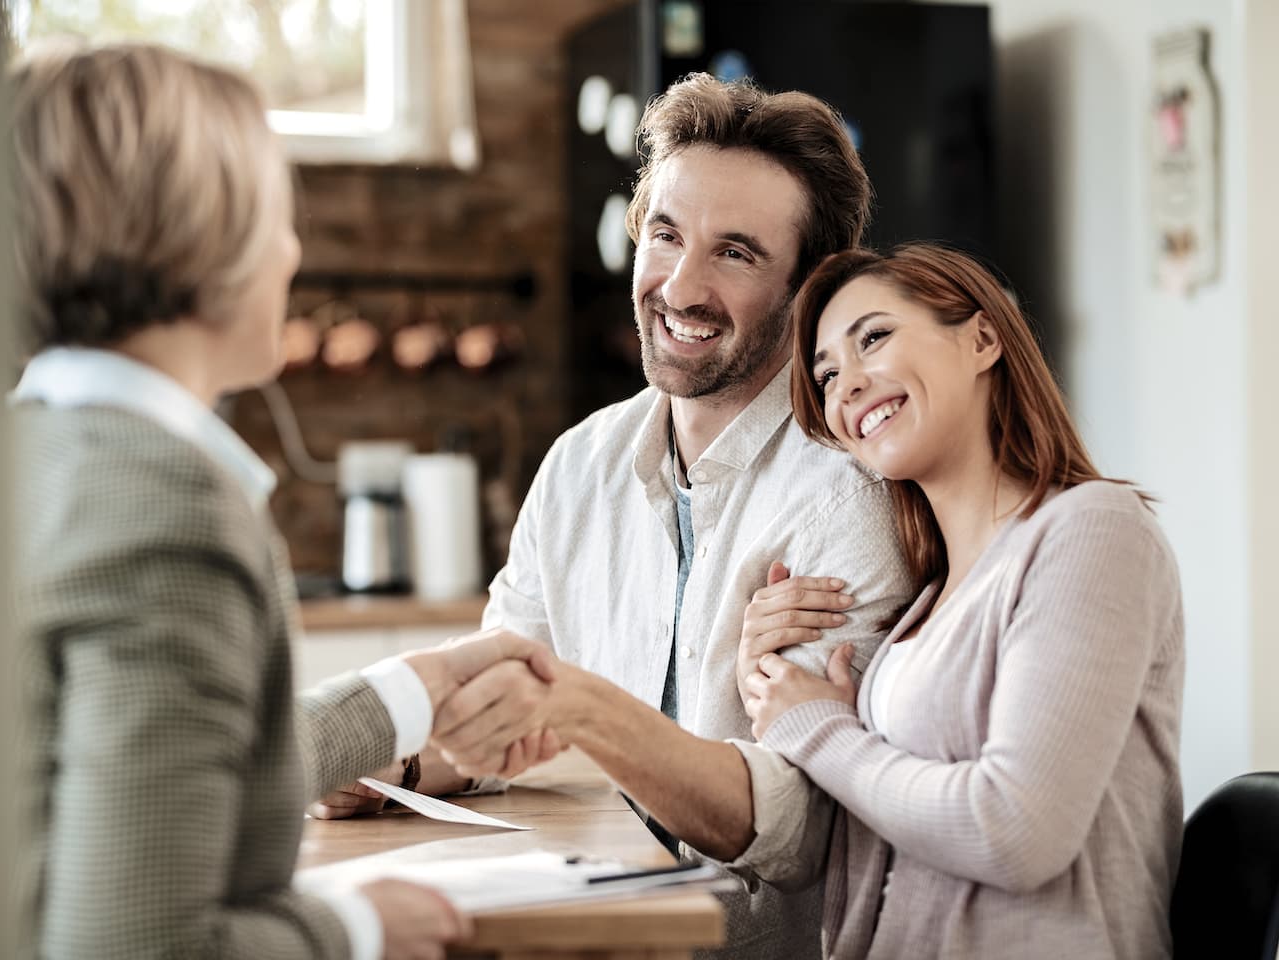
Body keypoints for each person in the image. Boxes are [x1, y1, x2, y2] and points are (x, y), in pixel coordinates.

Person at [323, 74, 916, 959]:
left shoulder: (848, 496)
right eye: (667, 235)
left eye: (737, 253)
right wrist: (397, 770)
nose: (681, 286)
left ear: (809, 291)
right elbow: (503, 718)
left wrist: (585, 709)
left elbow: (799, 830)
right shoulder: (579, 465)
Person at [10, 42, 556, 960]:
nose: (293, 249)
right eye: (275, 214)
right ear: (201, 236)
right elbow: (139, 945)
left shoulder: (24, 448)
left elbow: (148, 783)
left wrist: (409, 694)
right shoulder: (167, 509)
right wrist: (356, 925)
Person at [740, 243, 1184, 959]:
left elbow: (1015, 832)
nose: (846, 386)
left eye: (874, 339)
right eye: (826, 376)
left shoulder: (1092, 531)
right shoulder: (928, 605)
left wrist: (822, 732)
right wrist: (772, 688)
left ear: (982, 339)